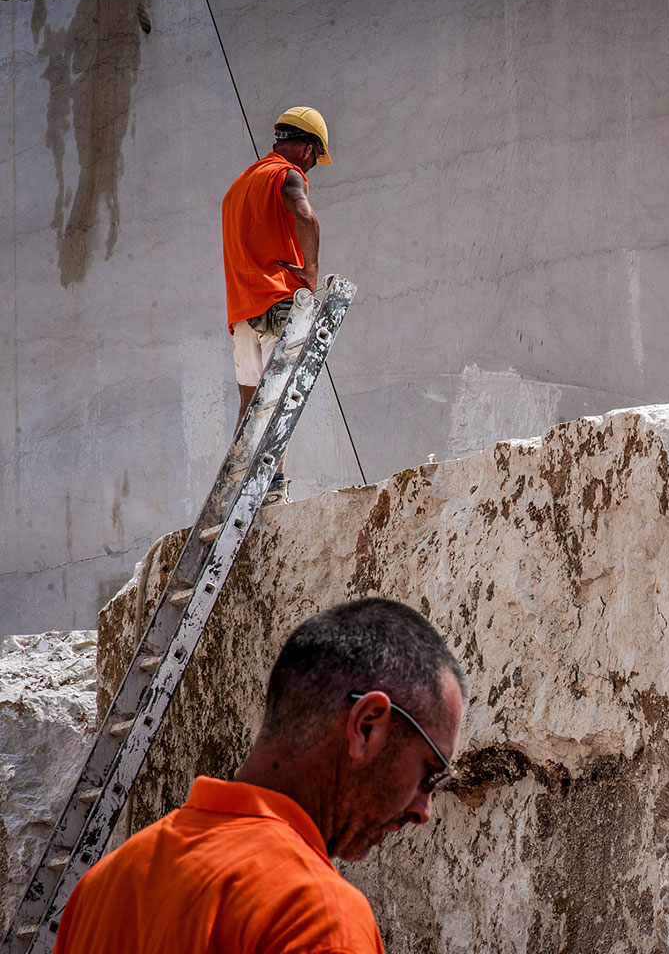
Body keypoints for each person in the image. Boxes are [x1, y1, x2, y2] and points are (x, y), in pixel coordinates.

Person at [52, 598, 464, 954]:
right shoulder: (314, 916)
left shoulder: (102, 887)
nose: (422, 811)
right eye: (428, 773)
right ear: (366, 726)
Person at [223, 106, 332, 505]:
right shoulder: (286, 174)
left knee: (251, 402)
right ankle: (272, 486)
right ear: (307, 147)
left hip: (242, 313)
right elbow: (306, 216)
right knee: (282, 395)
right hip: (278, 302)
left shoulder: (239, 185)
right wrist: (311, 272)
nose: (313, 166)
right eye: (316, 158)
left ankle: (235, 484)